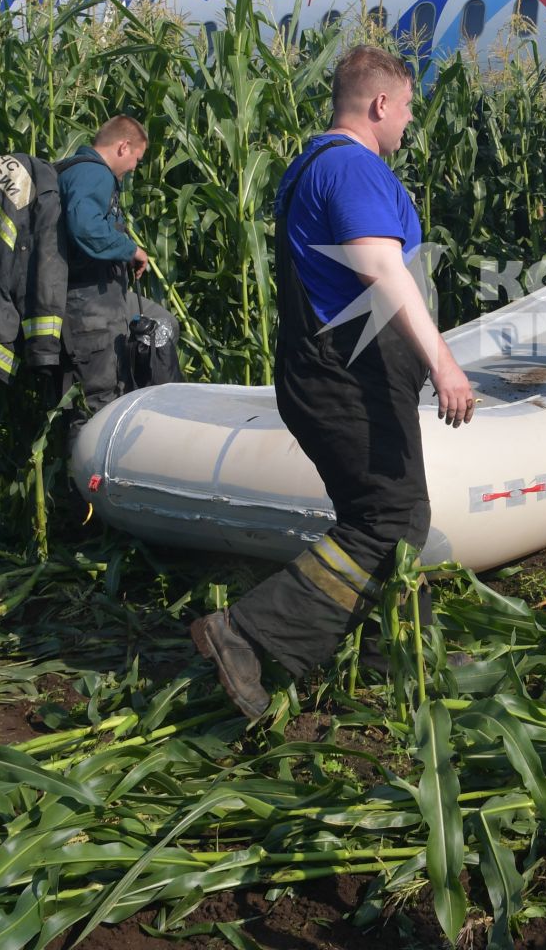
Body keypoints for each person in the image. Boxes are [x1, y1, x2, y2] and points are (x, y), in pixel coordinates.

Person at [191, 46, 476, 721]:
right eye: (406, 108)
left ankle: (402, 652)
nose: (408, 122)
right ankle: (246, 634)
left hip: (327, 373)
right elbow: (380, 265)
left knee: (394, 519)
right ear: (380, 104)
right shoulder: (352, 167)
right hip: (346, 380)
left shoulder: (311, 165)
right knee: (387, 522)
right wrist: (443, 362)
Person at [58, 116, 176, 440]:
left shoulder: (73, 170)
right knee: (98, 401)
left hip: (102, 298)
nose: (135, 167)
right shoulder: (94, 173)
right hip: (88, 306)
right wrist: (129, 249)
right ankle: (90, 484)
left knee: (162, 326)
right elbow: (84, 227)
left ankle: (152, 424)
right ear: (123, 146)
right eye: (136, 159)